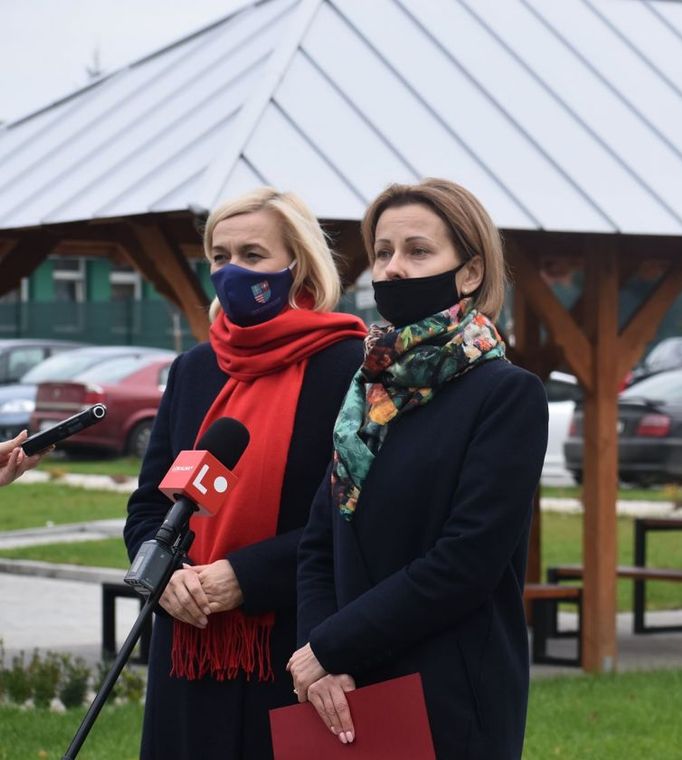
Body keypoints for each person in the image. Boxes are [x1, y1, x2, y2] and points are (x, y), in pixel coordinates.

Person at [288, 178, 547, 759]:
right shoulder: (367, 392)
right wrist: (321, 660)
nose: (394, 268)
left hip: (450, 699)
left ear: (472, 272)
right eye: (383, 253)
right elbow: (318, 545)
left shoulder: (506, 395)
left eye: (418, 251)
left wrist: (333, 646)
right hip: (344, 694)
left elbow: (467, 560)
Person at [123, 187, 366, 760]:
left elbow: (353, 520)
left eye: (253, 256)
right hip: (188, 647)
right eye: (220, 256)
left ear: (297, 264)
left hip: (293, 646)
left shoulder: (348, 368)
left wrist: (244, 576)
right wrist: (168, 574)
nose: (232, 271)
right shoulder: (193, 370)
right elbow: (147, 507)